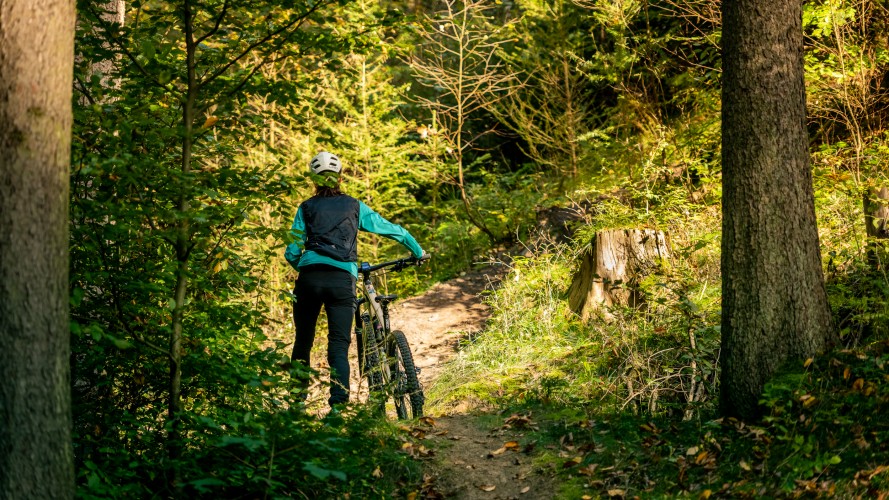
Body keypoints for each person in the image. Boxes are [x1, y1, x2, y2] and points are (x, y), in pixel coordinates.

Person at [284, 151, 425, 408]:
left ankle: (295, 405)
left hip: (309, 280)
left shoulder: (304, 208)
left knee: (303, 340)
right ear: (340, 178)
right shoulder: (355, 206)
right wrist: (417, 251)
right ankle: (337, 408)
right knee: (338, 344)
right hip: (341, 280)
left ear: (314, 180)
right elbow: (392, 229)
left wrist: (305, 266)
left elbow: (292, 251)